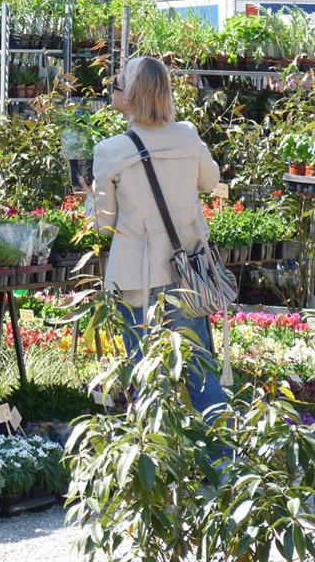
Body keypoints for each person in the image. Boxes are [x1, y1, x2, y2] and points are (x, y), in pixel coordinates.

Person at [83, 56, 227, 416]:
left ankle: (154, 463)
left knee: (145, 379)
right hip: (187, 275)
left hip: (137, 280)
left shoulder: (110, 150)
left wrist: (90, 198)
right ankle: (226, 468)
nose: (114, 83)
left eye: (121, 79)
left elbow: (103, 224)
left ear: (132, 95)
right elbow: (210, 182)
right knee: (202, 380)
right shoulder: (187, 135)